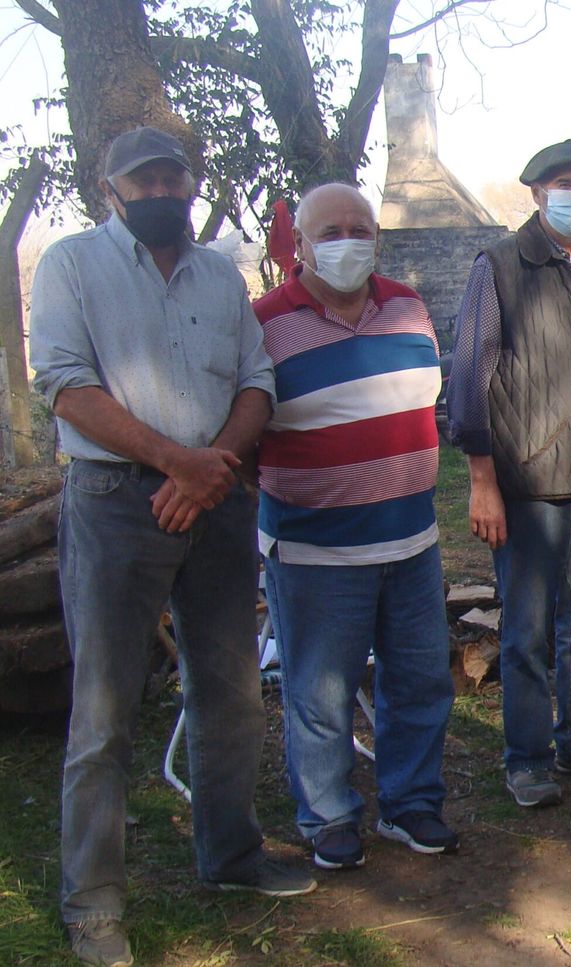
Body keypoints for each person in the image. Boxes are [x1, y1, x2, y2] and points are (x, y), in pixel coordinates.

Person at [30, 126, 315, 967]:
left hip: (218, 499)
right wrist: (176, 462)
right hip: (119, 501)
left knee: (228, 689)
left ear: (193, 184)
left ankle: (229, 854)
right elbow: (64, 384)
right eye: (142, 179)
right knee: (105, 709)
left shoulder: (220, 272)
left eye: (173, 177)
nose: (161, 191)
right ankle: (93, 905)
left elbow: (258, 380)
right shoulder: (70, 265)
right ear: (110, 188)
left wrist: (212, 465)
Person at [254, 183, 457, 871]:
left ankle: (410, 803)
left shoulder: (406, 304)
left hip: (411, 538)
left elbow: (427, 397)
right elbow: (247, 426)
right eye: (330, 230)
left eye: (360, 228)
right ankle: (329, 815)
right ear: (300, 244)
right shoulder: (264, 322)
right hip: (315, 547)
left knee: (422, 677)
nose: (349, 240)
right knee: (320, 688)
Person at [449, 140, 571, 807]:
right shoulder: (501, 266)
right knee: (528, 626)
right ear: (536, 193)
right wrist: (482, 479)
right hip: (527, 480)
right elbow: (470, 380)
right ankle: (527, 757)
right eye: (566, 183)